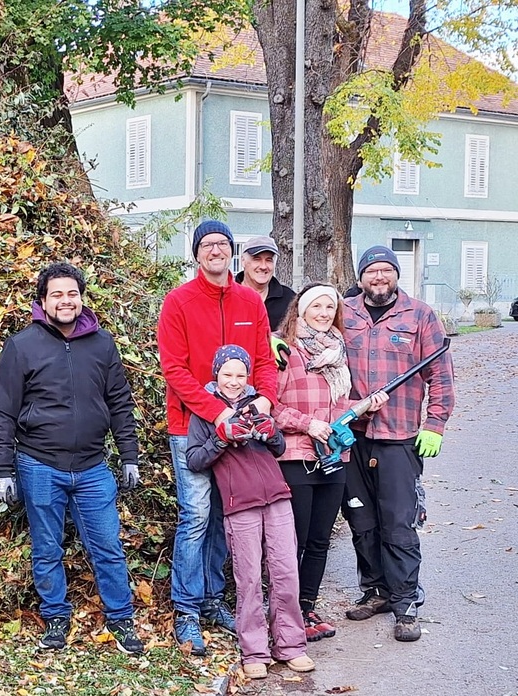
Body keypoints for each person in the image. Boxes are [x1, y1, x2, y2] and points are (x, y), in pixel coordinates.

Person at [0, 263, 144, 655]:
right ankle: (56, 617)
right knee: (47, 548)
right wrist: (2, 469)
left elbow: (120, 402)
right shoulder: (22, 346)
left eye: (72, 293)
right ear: (43, 301)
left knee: (108, 546)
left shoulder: (102, 344)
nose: (65, 301)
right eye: (56, 294)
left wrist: (129, 455)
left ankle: (121, 618)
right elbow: (2, 410)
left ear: (82, 298)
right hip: (39, 464)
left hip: (93, 466)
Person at [156, 219, 278, 655]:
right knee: (195, 516)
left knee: (225, 515)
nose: (215, 250)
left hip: (242, 427)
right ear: (196, 253)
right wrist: (218, 412)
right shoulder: (179, 302)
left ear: (232, 251)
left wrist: (264, 401)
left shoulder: (250, 301)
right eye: (207, 244)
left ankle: (211, 598)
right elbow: (174, 370)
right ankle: (186, 609)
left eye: (222, 244)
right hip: (190, 426)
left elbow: (264, 361)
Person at [341, 246, 455, 642]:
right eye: (371, 271)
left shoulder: (420, 315)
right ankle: (376, 590)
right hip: (352, 436)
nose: (379, 277)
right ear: (360, 278)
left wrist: (435, 423)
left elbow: (441, 374)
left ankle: (405, 603)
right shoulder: (343, 313)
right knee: (361, 519)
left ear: (396, 275)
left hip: (399, 436)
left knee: (398, 522)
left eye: (386, 270)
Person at [185, 345, 315, 679]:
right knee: (249, 579)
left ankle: (291, 646)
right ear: (216, 374)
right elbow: (194, 460)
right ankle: (254, 651)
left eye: (240, 375)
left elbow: (279, 447)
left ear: (248, 376)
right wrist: (222, 437)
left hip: (277, 496)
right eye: (227, 374)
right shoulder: (206, 410)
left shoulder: (257, 402)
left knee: (286, 573)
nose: (234, 381)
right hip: (239, 503)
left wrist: (270, 432)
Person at [272, 283, 388, 641]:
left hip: (334, 459)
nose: (323, 313)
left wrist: (364, 406)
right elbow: (270, 406)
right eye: (317, 307)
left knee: (320, 541)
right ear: (301, 310)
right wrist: (308, 424)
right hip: (295, 458)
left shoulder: (336, 354)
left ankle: (306, 608)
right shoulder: (284, 349)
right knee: (294, 542)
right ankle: (284, 612)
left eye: (330, 307)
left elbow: (338, 407)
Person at [235, 235, 296, 331]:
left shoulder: (289, 299)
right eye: (257, 259)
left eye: (269, 260)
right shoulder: (227, 296)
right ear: (243, 261)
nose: (263, 266)